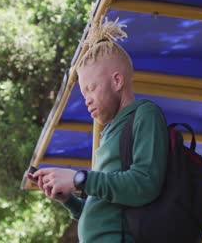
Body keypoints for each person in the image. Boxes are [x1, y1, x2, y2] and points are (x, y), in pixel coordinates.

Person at [27, 17, 169, 242]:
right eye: (84, 95)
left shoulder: (144, 114)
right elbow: (104, 211)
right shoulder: (109, 134)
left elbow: (144, 184)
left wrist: (79, 178)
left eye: (91, 89)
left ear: (117, 81)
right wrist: (68, 199)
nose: (87, 100)